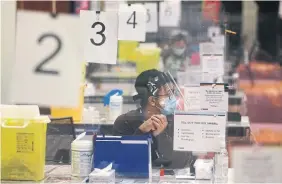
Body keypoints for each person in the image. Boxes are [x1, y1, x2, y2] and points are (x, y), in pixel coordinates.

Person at [112, 69, 177, 161]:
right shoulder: (125, 122)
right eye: (169, 94)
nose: (173, 98)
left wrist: (161, 136)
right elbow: (122, 161)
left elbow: (182, 162)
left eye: (174, 93)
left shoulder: (174, 121)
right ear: (152, 101)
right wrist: (141, 132)